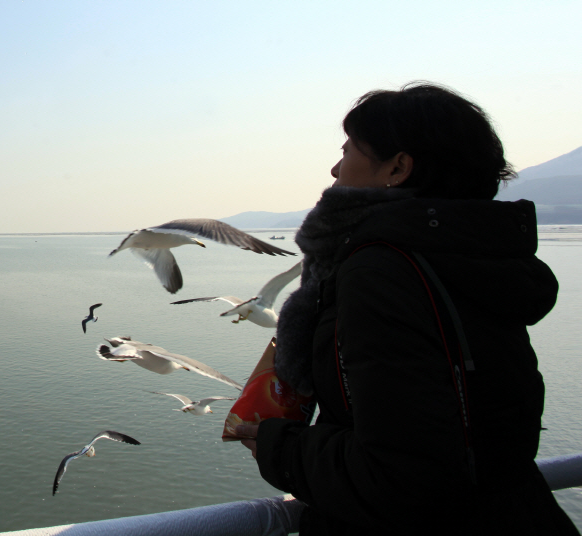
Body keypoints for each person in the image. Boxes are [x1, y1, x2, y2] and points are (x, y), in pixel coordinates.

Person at [234, 82, 577, 535]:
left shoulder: (381, 270)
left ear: (398, 167)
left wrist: (282, 449)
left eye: (349, 150)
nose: (335, 167)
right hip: (516, 514)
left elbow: (404, 475)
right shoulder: (473, 260)